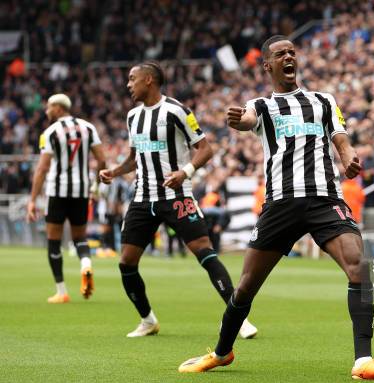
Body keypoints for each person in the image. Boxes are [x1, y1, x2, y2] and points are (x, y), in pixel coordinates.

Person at [178, 36, 374, 380]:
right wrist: (237, 120)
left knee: (359, 266)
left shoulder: (323, 101)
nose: (288, 57)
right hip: (281, 204)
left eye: (292, 52)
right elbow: (247, 120)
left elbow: (340, 139)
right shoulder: (263, 106)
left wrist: (348, 158)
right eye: (280, 54)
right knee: (246, 287)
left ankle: (364, 361)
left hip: (325, 199)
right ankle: (222, 352)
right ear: (267, 65)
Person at [99, 61, 257, 339]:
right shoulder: (133, 116)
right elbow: (135, 158)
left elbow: (205, 149)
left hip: (176, 196)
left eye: (132, 78)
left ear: (149, 80)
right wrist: (115, 171)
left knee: (204, 252)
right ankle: (148, 320)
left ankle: (239, 319)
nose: (128, 84)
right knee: (126, 262)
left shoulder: (177, 111)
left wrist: (185, 172)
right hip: (142, 197)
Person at [26, 94, 106, 303]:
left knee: (53, 241)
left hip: (58, 192)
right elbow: (102, 159)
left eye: (49, 107)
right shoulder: (89, 128)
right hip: (81, 191)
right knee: (79, 238)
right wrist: (96, 185)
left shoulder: (49, 133)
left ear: (59, 107)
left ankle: (61, 292)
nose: (46, 111)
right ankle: (86, 264)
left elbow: (43, 168)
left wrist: (32, 199)